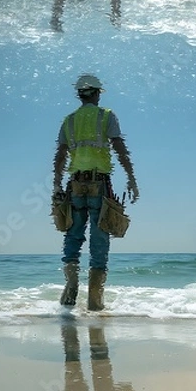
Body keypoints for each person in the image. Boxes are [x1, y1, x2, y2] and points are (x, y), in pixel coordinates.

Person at [52, 74, 139, 311]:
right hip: (99, 183)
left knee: (73, 235)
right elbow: (120, 149)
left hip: (75, 185)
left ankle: (70, 290)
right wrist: (131, 177)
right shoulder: (106, 116)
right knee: (99, 239)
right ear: (98, 93)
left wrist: (57, 184)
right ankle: (95, 300)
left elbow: (60, 155)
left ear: (80, 95)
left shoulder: (69, 121)